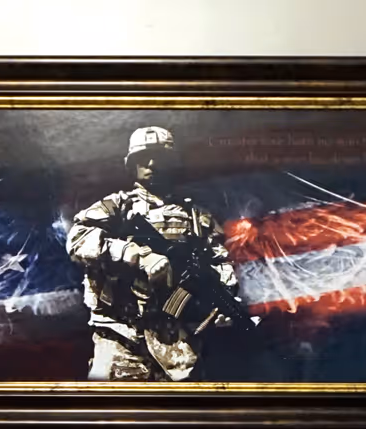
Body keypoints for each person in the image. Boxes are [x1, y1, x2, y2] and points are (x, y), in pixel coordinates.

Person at [66, 126, 246, 382]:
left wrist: (222, 300)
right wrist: (136, 254)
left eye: (160, 158)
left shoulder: (197, 217)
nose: (151, 164)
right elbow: (78, 240)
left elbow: (219, 262)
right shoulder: (117, 206)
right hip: (121, 334)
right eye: (143, 158)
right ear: (132, 165)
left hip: (177, 341)